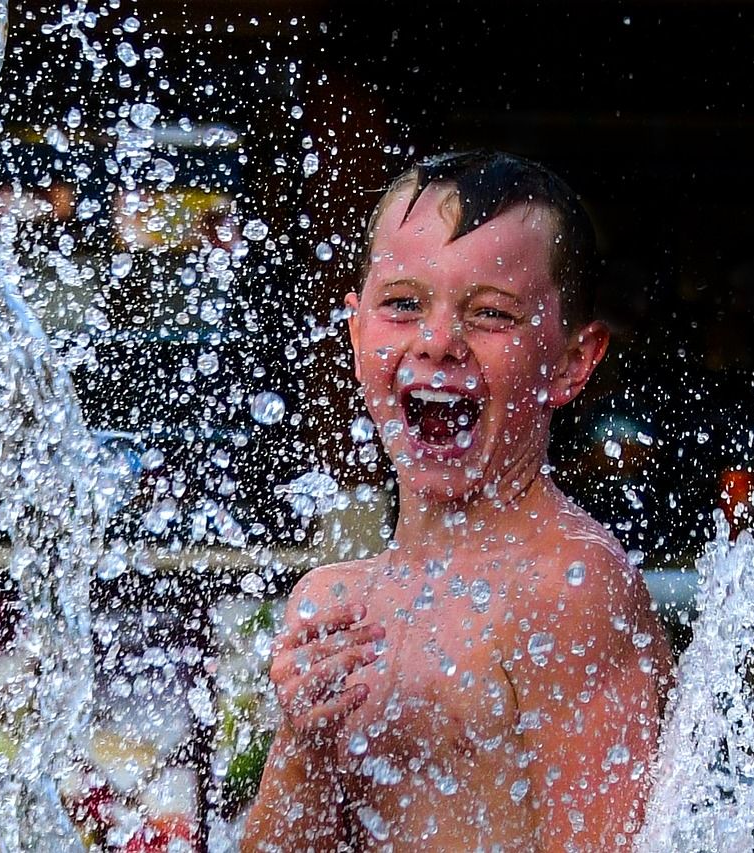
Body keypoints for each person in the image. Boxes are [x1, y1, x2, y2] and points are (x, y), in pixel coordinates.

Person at [241, 151, 673, 852]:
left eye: (492, 315)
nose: (439, 340)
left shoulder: (567, 588)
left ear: (572, 360)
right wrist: (304, 744)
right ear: (355, 336)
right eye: (404, 304)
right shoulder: (336, 601)